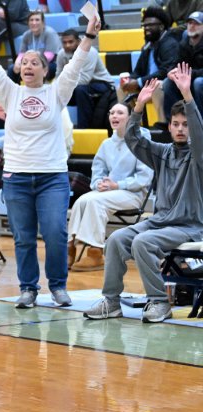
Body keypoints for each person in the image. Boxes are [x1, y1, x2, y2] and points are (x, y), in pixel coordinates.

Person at [0, 5, 100, 308]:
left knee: (56, 233)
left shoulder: (56, 92)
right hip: (16, 178)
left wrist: (88, 35)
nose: (29, 65)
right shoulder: (9, 92)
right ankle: (28, 289)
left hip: (52, 178)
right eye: (25, 62)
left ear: (45, 70)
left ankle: (57, 286)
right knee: (23, 238)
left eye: (35, 62)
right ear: (19, 70)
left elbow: (76, 64)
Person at [85, 64, 203, 323]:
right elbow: (133, 140)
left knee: (143, 242)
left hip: (190, 226)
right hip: (160, 222)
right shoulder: (163, 152)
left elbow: (199, 135)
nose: (181, 129)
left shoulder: (199, 156)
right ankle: (111, 302)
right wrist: (138, 107)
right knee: (116, 240)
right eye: (176, 124)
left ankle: (159, 302)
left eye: (185, 124)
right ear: (169, 127)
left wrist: (187, 95)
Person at [68, 103, 154, 272]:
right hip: (109, 192)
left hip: (133, 194)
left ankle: (95, 253)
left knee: (95, 202)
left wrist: (118, 185)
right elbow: (97, 171)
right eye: (111, 112)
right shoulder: (106, 144)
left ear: (130, 118)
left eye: (120, 113)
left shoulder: (142, 141)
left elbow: (144, 178)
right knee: (82, 200)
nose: (114, 116)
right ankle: (70, 246)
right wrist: (98, 183)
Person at [119, 7, 179, 126]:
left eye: (151, 25)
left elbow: (165, 71)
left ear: (161, 26)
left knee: (157, 85)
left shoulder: (170, 43)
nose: (146, 28)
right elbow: (137, 71)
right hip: (148, 84)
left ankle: (163, 125)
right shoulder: (147, 46)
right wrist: (130, 80)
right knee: (120, 88)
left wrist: (139, 82)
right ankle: (129, 125)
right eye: (145, 25)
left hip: (167, 85)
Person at [56, 29, 114, 129]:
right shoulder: (61, 54)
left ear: (79, 41)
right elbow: (58, 75)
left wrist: (64, 85)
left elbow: (84, 79)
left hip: (102, 84)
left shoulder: (90, 52)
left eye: (70, 42)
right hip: (77, 86)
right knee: (55, 93)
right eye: (64, 42)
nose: (67, 45)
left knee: (81, 91)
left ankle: (84, 128)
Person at [163, 12, 203, 118]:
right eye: (190, 23)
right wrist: (171, 72)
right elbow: (175, 63)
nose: (192, 26)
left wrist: (189, 73)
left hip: (197, 79)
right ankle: (174, 120)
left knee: (198, 83)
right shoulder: (183, 44)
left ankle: (200, 120)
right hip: (190, 78)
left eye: (196, 23)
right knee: (168, 82)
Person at [8, 11, 61, 83]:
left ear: (43, 22)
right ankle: (14, 90)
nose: (34, 23)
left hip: (50, 63)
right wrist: (18, 62)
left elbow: (49, 56)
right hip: (31, 63)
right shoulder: (26, 35)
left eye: (37, 20)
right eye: (31, 20)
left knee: (40, 69)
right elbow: (22, 53)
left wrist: (33, 64)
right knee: (12, 69)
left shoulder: (50, 33)